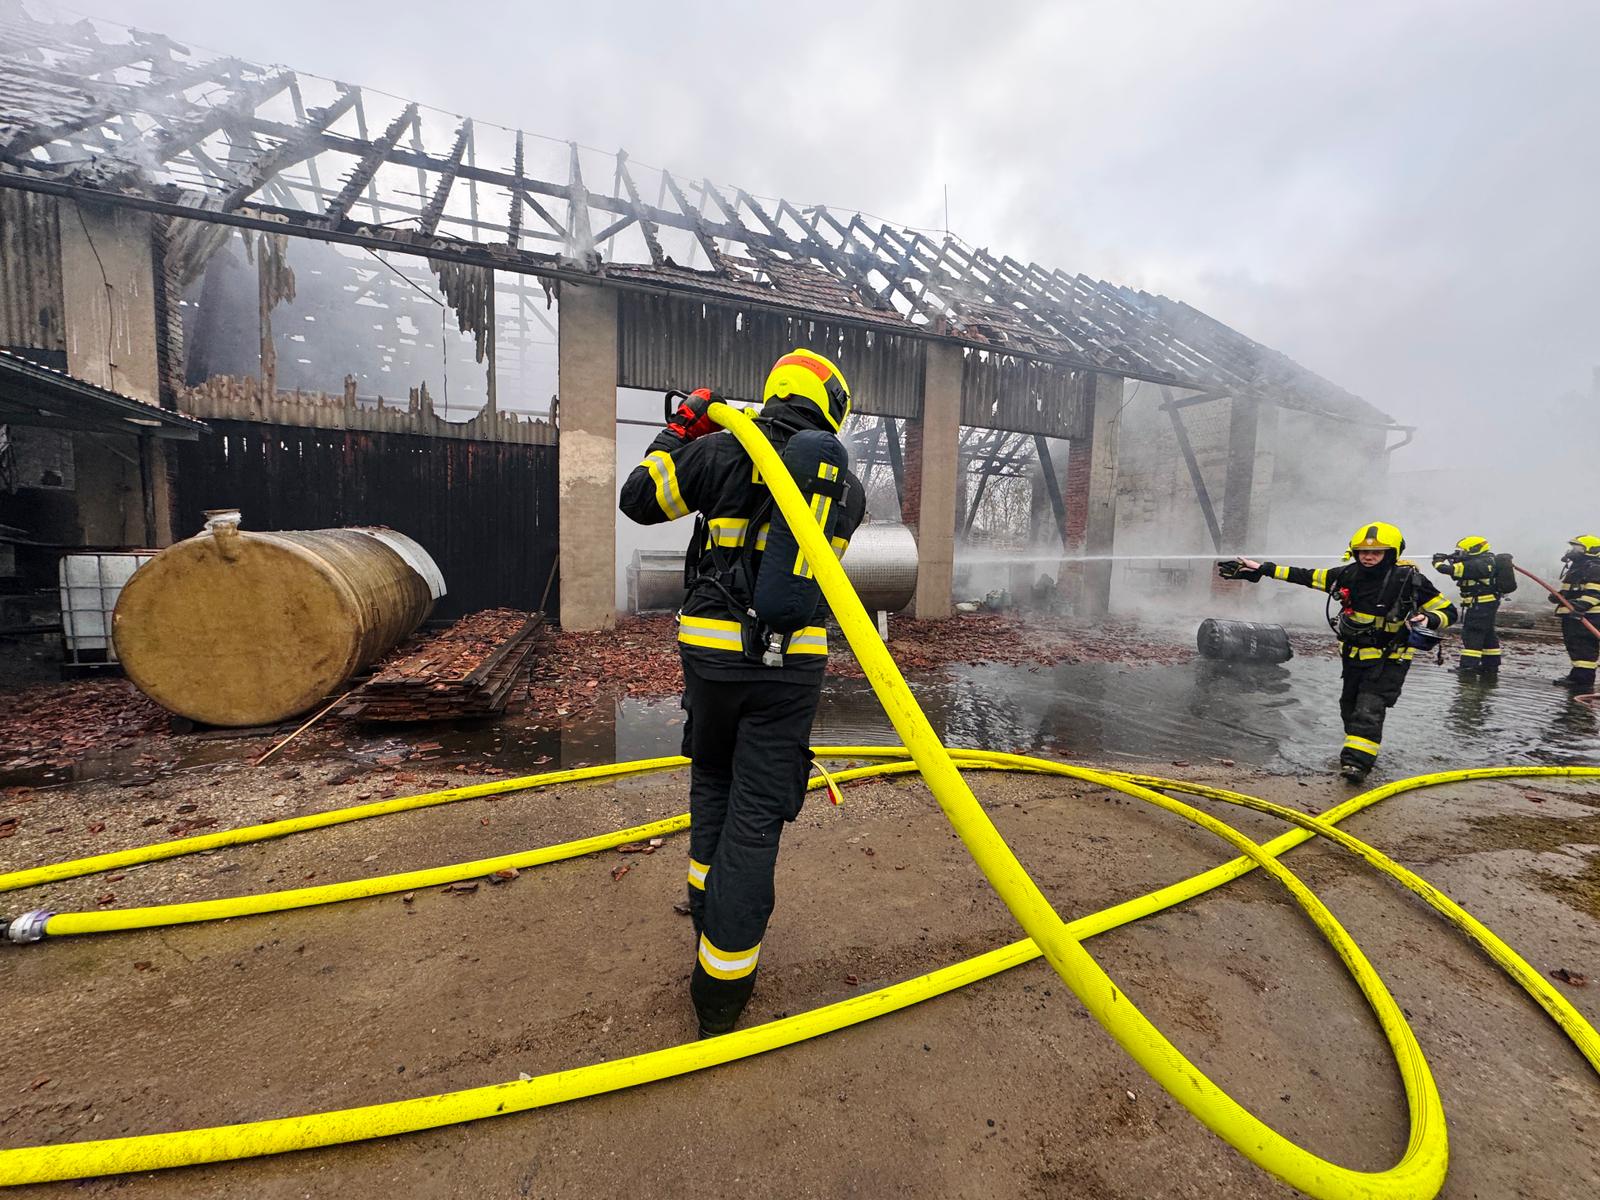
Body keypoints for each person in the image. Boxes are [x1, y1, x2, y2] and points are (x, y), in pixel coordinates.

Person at [618, 348, 865, 1037]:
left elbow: (638, 499)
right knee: (755, 818)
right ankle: (721, 996)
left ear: (777, 389)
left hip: (712, 661)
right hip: (791, 672)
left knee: (713, 781)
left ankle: (707, 917)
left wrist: (682, 430)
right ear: (832, 409)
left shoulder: (722, 451)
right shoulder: (847, 490)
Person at [1217, 521, 1457, 783]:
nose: (1368, 557)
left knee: (1369, 708)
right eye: (1363, 552)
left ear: (1391, 553)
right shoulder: (1347, 575)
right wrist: (1263, 569)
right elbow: (1306, 576)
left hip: (1390, 659)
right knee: (1349, 708)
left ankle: (1356, 766)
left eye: (1376, 552)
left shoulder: (1409, 581)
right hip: (1354, 657)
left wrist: (1429, 619)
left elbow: (1448, 611)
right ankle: (1361, 752)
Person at [1431, 536, 1503, 677]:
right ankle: (1491, 666)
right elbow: (1460, 574)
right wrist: (1452, 558)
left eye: (1463, 551)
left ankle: (1468, 667)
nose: (1461, 554)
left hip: (1479, 605)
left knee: (1472, 633)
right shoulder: (1486, 561)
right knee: (1487, 634)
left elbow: (1448, 570)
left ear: (1475, 549)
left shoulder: (1475, 564)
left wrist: (1437, 561)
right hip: (1486, 604)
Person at [1551, 535, 1600, 689]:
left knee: (1584, 646)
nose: (1573, 551)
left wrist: (1580, 606)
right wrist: (1560, 596)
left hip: (1589, 615)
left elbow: (1595, 592)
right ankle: (1577, 675)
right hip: (1576, 614)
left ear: (1591, 550)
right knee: (1575, 646)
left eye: (1578, 548)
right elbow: (1574, 589)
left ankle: (1583, 680)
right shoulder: (1579, 566)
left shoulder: (1595, 567)